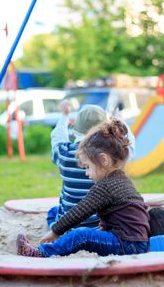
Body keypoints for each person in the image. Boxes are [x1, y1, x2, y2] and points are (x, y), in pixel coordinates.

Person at [16, 119, 150, 257]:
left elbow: (80, 211)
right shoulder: (122, 180)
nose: (86, 173)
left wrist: (55, 231)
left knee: (81, 234)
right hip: (136, 242)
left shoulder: (105, 186)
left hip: (127, 244)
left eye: (88, 167)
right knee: (76, 226)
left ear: (104, 160)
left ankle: (40, 253)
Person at [46, 102, 135, 230]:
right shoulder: (111, 157)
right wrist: (119, 121)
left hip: (68, 226)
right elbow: (130, 146)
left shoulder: (64, 153)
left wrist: (64, 116)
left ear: (75, 130)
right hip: (100, 226)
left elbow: (57, 137)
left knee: (53, 213)